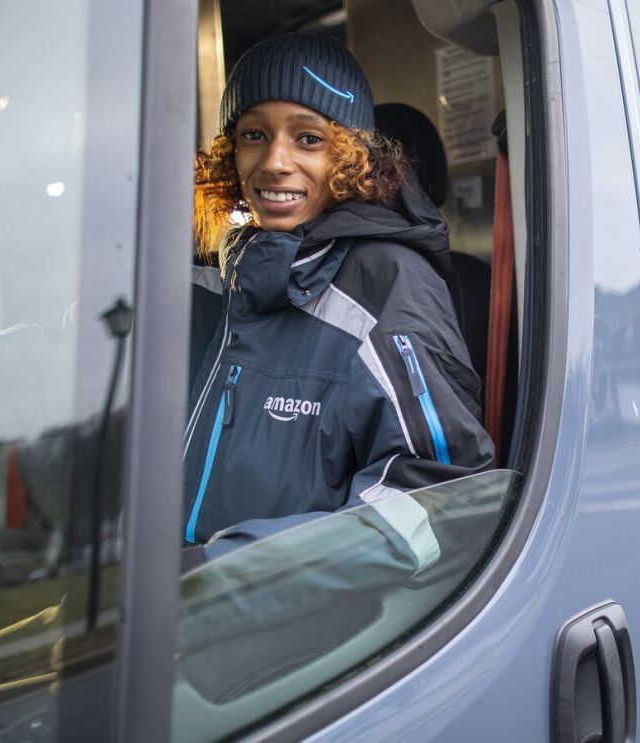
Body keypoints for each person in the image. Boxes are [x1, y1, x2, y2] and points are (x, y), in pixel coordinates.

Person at [186, 34, 494, 564]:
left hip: (296, 629)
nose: (275, 162)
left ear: (350, 158)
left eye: (308, 139)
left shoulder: (388, 281)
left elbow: (442, 498)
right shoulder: (229, 273)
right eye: (254, 134)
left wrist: (231, 572)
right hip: (168, 606)